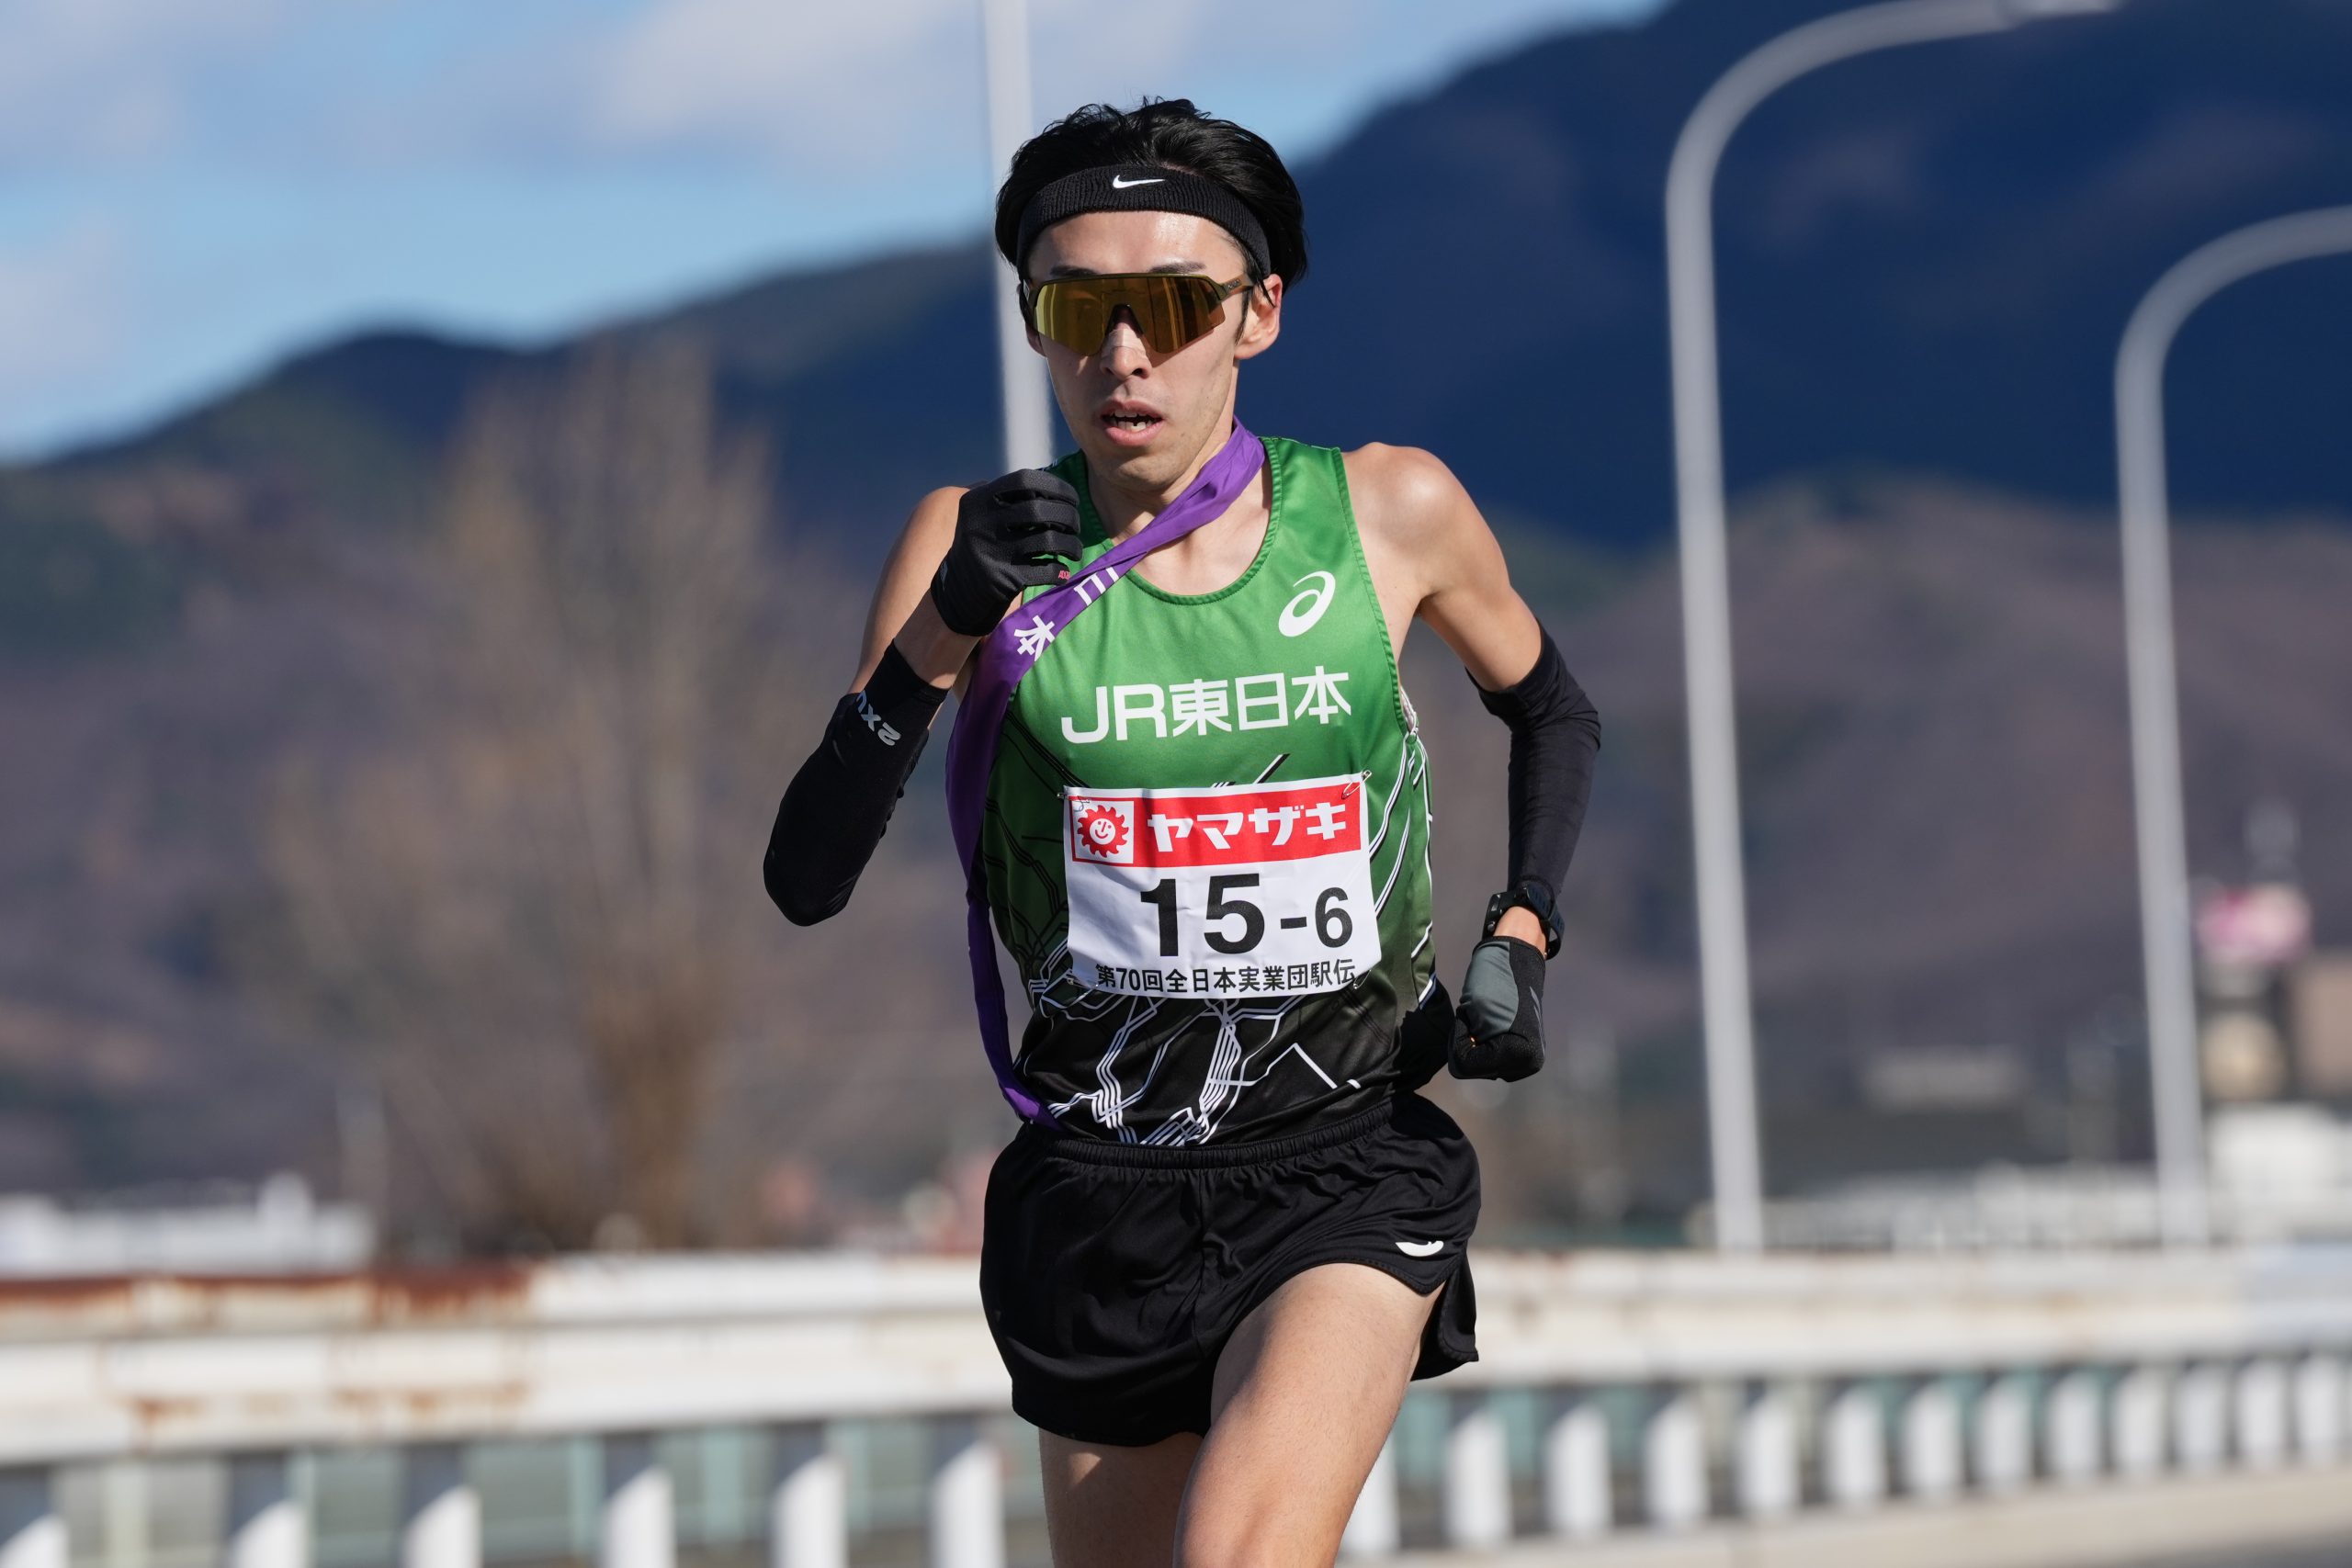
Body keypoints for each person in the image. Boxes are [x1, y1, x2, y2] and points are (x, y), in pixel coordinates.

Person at [767, 98, 1599, 1568]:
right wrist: (945, 624)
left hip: (1343, 1162)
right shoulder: (966, 546)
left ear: (1257, 314)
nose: (1123, 353)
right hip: (1100, 1194)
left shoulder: (1388, 511)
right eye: (1076, 308)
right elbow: (806, 877)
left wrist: (1520, 930)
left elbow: (1554, 711)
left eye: (1170, 307)